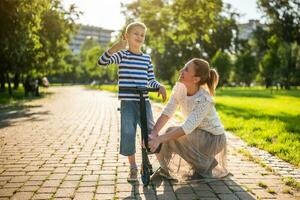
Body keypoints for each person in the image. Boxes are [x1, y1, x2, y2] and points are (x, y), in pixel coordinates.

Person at [97, 22, 167, 182]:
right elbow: (102, 62)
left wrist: (159, 86)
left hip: (144, 102)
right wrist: (115, 47)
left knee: (151, 133)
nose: (140, 37)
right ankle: (133, 167)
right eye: (136, 33)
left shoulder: (146, 58)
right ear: (126, 36)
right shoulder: (122, 55)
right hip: (128, 102)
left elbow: (151, 80)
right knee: (128, 133)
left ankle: (158, 164)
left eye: (142, 35)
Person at [149, 58, 228, 179]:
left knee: (171, 134)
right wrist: (154, 133)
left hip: (213, 138)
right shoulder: (180, 87)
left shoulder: (204, 99)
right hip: (197, 133)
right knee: (170, 135)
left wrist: (160, 139)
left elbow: (187, 127)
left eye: (186, 69)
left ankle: (204, 164)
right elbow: (168, 112)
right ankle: (166, 169)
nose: (181, 70)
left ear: (196, 79)